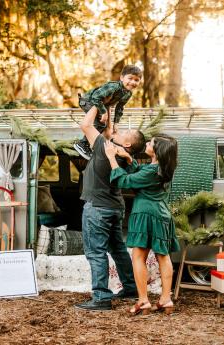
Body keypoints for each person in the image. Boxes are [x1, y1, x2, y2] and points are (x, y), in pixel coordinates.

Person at [74, 98, 147, 312]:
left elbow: (85, 125)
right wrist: (110, 111)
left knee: (96, 252)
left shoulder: (104, 148)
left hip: (97, 208)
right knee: (118, 249)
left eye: (126, 133)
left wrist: (97, 103)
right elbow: (108, 131)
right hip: (115, 207)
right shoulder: (123, 156)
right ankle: (131, 287)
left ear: (126, 144)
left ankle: (101, 298)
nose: (121, 131)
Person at [104, 134, 180, 315]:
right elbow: (142, 176)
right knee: (164, 256)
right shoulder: (163, 168)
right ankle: (165, 299)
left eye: (150, 143)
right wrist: (130, 158)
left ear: (157, 150)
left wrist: (111, 158)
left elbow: (124, 181)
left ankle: (144, 301)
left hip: (145, 213)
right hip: (162, 214)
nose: (147, 143)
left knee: (138, 257)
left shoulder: (151, 171)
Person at [73, 65, 142, 160]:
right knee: (101, 124)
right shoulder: (113, 87)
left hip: (100, 104)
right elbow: (95, 97)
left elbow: (120, 108)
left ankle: (90, 143)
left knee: (104, 126)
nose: (133, 82)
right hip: (87, 101)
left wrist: (115, 124)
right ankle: (82, 144)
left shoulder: (128, 93)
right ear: (122, 77)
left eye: (136, 80)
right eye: (130, 78)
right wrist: (104, 112)